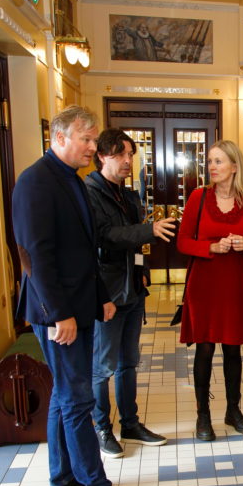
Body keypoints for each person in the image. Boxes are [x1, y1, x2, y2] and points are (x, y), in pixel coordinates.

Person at [12, 105, 124, 486]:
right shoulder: (35, 183)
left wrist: (100, 297)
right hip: (56, 312)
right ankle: (96, 485)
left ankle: (62, 475)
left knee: (65, 392)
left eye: (95, 140)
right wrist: (61, 314)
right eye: (87, 139)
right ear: (59, 138)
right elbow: (35, 258)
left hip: (79, 304)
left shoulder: (70, 179)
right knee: (78, 397)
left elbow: (82, 248)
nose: (94, 148)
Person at [85, 128, 177, 457]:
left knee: (128, 363)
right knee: (103, 366)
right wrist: (147, 229)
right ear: (102, 156)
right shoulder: (90, 193)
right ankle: (101, 428)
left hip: (133, 290)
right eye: (120, 155)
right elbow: (105, 236)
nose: (127, 161)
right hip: (106, 294)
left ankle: (130, 423)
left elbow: (133, 245)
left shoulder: (129, 194)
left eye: (130, 155)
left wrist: (142, 276)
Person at [177, 140, 243, 441]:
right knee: (204, 348)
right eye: (210, 162)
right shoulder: (198, 197)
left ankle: (233, 410)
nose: (212, 167)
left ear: (234, 167)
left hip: (235, 282)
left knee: (232, 348)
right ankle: (203, 416)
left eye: (219, 161)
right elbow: (183, 242)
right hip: (204, 282)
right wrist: (211, 247)